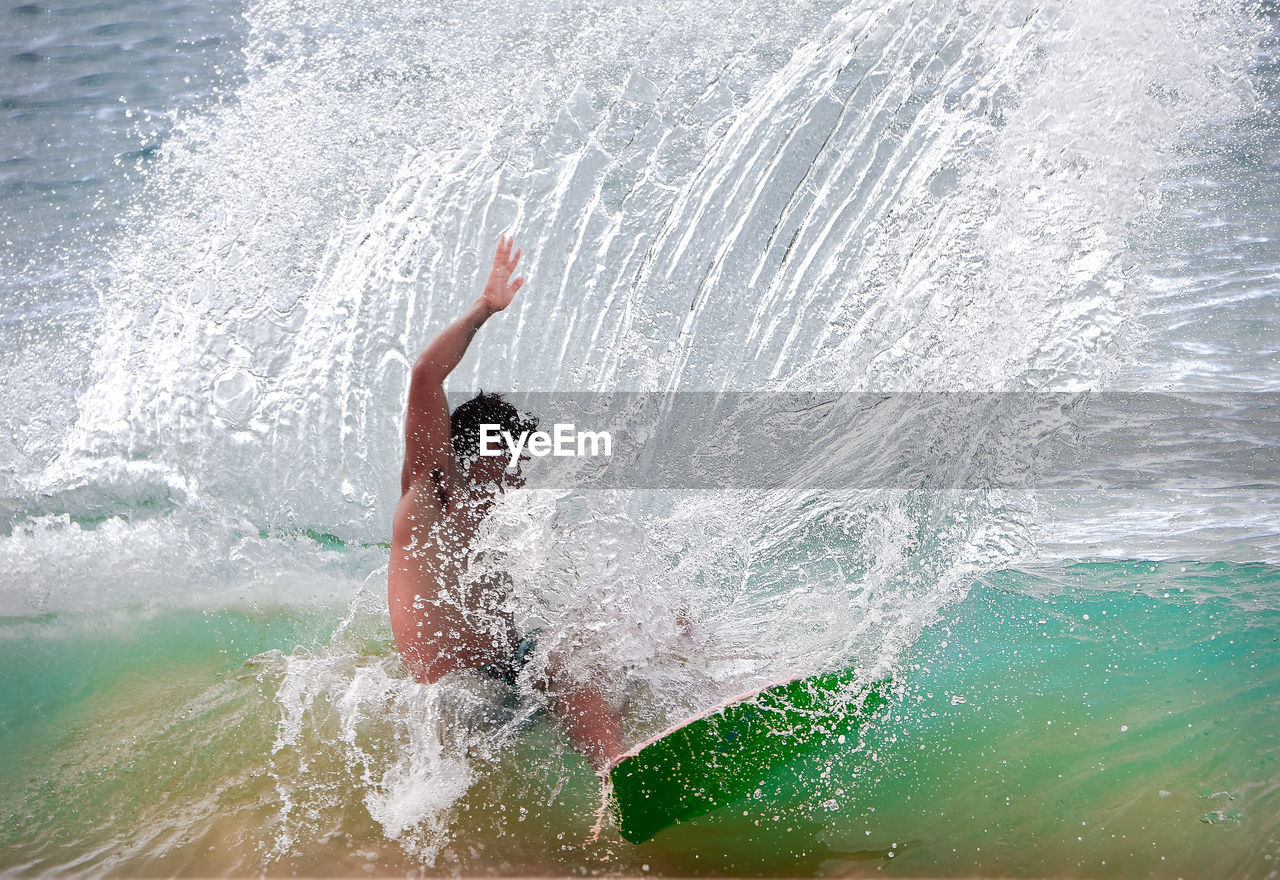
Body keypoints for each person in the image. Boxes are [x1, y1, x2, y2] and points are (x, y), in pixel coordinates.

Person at [388, 234, 623, 770]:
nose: (518, 475)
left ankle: (627, 765)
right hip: (457, 698)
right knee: (560, 656)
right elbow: (425, 376)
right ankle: (615, 766)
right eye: (509, 456)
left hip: (508, 680)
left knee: (604, 631)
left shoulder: (502, 526)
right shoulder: (432, 491)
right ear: (473, 452)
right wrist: (484, 310)